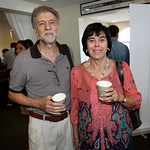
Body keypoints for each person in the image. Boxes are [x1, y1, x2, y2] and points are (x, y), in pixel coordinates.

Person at [9, 6, 74, 150]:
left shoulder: (68, 51)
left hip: (68, 122)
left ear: (58, 27)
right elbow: (12, 94)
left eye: (52, 22)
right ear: (35, 30)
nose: (47, 27)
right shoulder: (23, 59)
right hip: (41, 125)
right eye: (41, 23)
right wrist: (39, 103)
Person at [70, 22, 141, 150]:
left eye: (102, 40)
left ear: (108, 45)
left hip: (119, 138)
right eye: (91, 40)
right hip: (88, 139)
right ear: (86, 46)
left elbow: (136, 102)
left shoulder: (122, 68)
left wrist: (120, 97)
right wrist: (75, 137)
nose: (97, 44)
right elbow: (75, 108)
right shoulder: (76, 72)